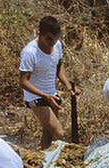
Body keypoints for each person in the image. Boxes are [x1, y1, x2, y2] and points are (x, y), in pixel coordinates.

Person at [19, 16, 77, 150]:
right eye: (49, 39)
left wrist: (68, 86)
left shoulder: (57, 45)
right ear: (40, 34)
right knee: (59, 133)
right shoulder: (30, 52)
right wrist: (45, 96)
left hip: (52, 94)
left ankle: (42, 159)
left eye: (55, 38)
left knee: (48, 135)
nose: (52, 42)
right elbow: (23, 81)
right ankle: (57, 163)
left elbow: (59, 66)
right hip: (36, 97)